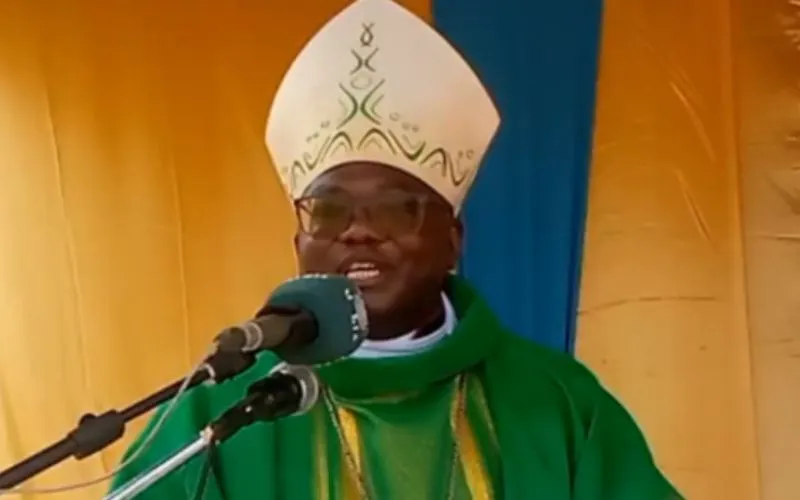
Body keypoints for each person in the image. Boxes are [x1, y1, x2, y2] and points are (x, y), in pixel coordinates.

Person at [110, 0, 682, 498]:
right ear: (299, 244)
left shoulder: (556, 402)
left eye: (394, 208)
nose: (358, 231)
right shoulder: (223, 413)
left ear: (452, 241)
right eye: (329, 210)